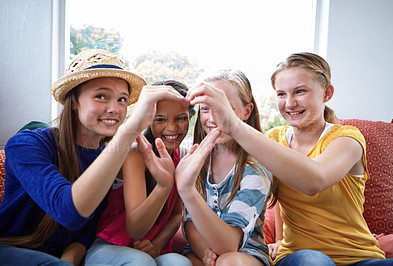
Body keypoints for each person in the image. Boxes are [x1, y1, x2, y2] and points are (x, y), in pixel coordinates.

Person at [186, 52, 393, 265]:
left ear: (327, 93)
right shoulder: (274, 139)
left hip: (358, 258)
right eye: (281, 94)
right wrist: (279, 239)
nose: (290, 103)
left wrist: (232, 122)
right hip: (302, 257)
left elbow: (314, 180)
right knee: (313, 261)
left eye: (300, 92)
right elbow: (277, 193)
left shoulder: (347, 139)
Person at [0, 49, 186, 265]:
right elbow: (68, 211)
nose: (114, 109)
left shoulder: (106, 158)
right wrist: (132, 128)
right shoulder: (27, 145)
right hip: (10, 248)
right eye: (101, 96)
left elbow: (85, 232)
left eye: (122, 99)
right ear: (74, 101)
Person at [84, 80, 194, 266]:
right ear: (148, 119)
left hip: (153, 248)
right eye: (160, 119)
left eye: (181, 118)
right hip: (109, 246)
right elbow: (135, 229)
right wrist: (163, 185)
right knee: (140, 262)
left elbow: (176, 214)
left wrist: (157, 246)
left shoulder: (182, 155)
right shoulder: (135, 153)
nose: (173, 128)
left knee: (179, 263)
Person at [173, 70, 274, 266]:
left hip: (246, 254)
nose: (213, 119)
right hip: (199, 249)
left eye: (224, 108)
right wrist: (204, 252)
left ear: (247, 111)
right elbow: (189, 223)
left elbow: (229, 246)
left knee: (228, 262)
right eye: (205, 109)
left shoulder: (256, 166)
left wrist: (216, 255)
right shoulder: (192, 159)